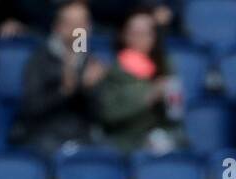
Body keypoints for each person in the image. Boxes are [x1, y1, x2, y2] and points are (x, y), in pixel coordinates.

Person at [18, 0, 106, 153]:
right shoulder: (40, 60)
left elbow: (100, 115)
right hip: (45, 136)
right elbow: (31, 108)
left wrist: (89, 90)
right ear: (57, 26)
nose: (77, 29)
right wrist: (63, 91)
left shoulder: (91, 62)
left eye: (82, 23)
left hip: (83, 137)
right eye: (71, 23)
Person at [94, 8, 184, 153]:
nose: (139, 39)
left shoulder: (164, 66)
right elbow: (108, 113)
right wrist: (150, 94)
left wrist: (170, 97)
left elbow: (175, 116)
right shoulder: (111, 70)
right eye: (134, 33)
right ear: (123, 36)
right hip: (125, 142)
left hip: (161, 139)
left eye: (145, 34)